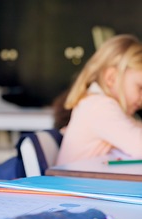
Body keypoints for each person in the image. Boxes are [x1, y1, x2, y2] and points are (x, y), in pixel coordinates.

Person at [57, 34, 142, 165]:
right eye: (140, 87)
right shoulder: (100, 106)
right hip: (76, 184)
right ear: (111, 78)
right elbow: (139, 146)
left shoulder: (96, 104)